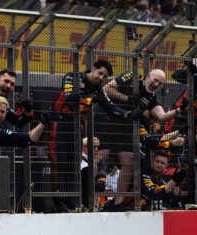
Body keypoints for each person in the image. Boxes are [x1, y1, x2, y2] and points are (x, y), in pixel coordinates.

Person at [49, 59, 138, 212]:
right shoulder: (72, 77)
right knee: (60, 162)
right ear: (93, 68)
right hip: (59, 123)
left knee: (73, 164)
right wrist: (91, 99)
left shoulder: (98, 88)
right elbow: (69, 97)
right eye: (100, 73)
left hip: (76, 126)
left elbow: (110, 107)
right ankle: (59, 200)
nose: (101, 78)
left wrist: (129, 114)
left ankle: (70, 198)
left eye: (105, 76)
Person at [102, 69, 179, 210]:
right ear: (148, 76)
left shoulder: (151, 99)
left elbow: (162, 116)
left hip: (125, 130)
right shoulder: (132, 76)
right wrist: (129, 100)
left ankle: (117, 203)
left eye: (160, 84)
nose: (156, 84)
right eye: (155, 80)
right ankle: (88, 201)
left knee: (129, 163)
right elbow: (106, 89)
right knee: (98, 158)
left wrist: (178, 111)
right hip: (106, 121)